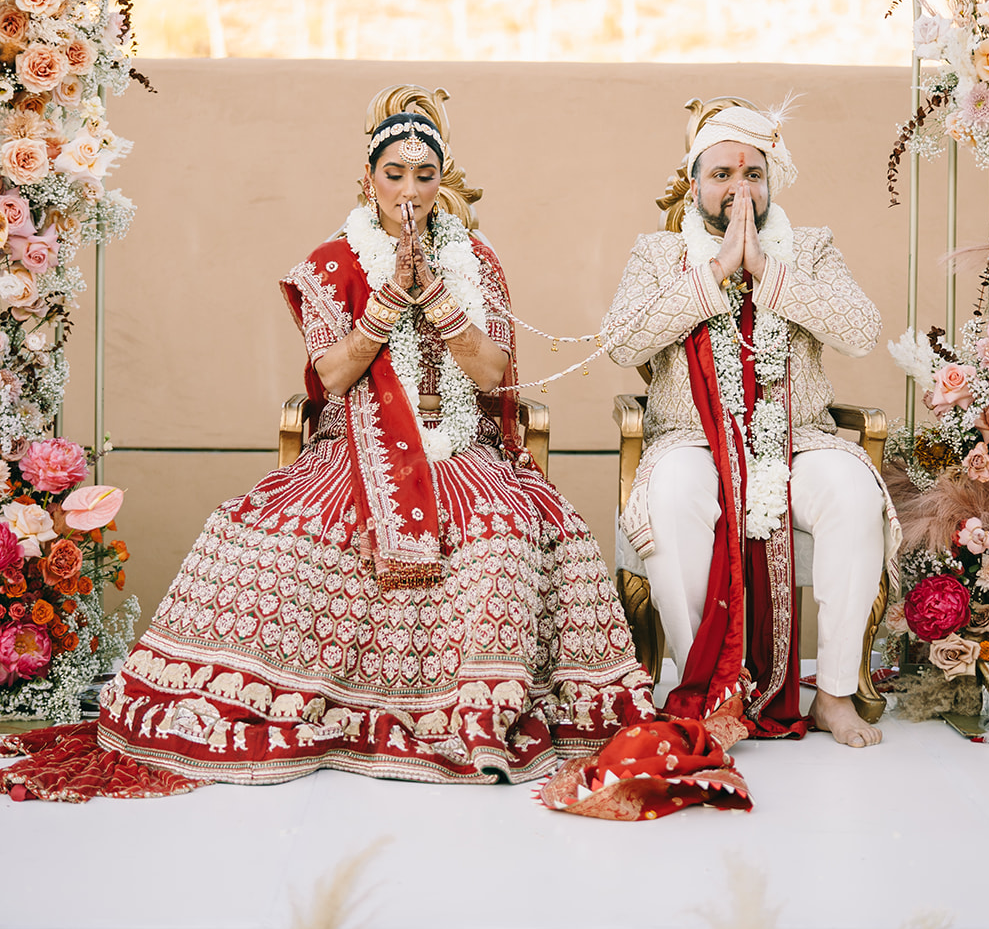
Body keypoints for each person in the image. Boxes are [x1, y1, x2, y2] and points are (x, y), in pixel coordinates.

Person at [1, 97, 653, 800]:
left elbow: (492, 373)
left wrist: (433, 294)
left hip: (463, 448)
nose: (408, 190)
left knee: (503, 533)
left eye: (424, 175)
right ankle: (310, 711)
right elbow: (333, 375)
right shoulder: (330, 262)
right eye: (394, 173)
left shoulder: (475, 260)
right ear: (366, 178)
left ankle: (475, 714)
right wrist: (382, 305)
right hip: (352, 448)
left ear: (443, 180)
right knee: (274, 533)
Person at [603, 101, 900, 750]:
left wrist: (767, 271)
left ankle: (835, 694)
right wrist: (713, 273)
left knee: (851, 495)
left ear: (772, 180)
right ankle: (709, 691)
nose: (739, 188)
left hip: (798, 440)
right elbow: (622, 342)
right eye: (722, 174)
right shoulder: (658, 254)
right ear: (693, 184)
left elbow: (860, 331)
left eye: (753, 173)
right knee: (673, 495)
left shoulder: (811, 248)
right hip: (692, 438)